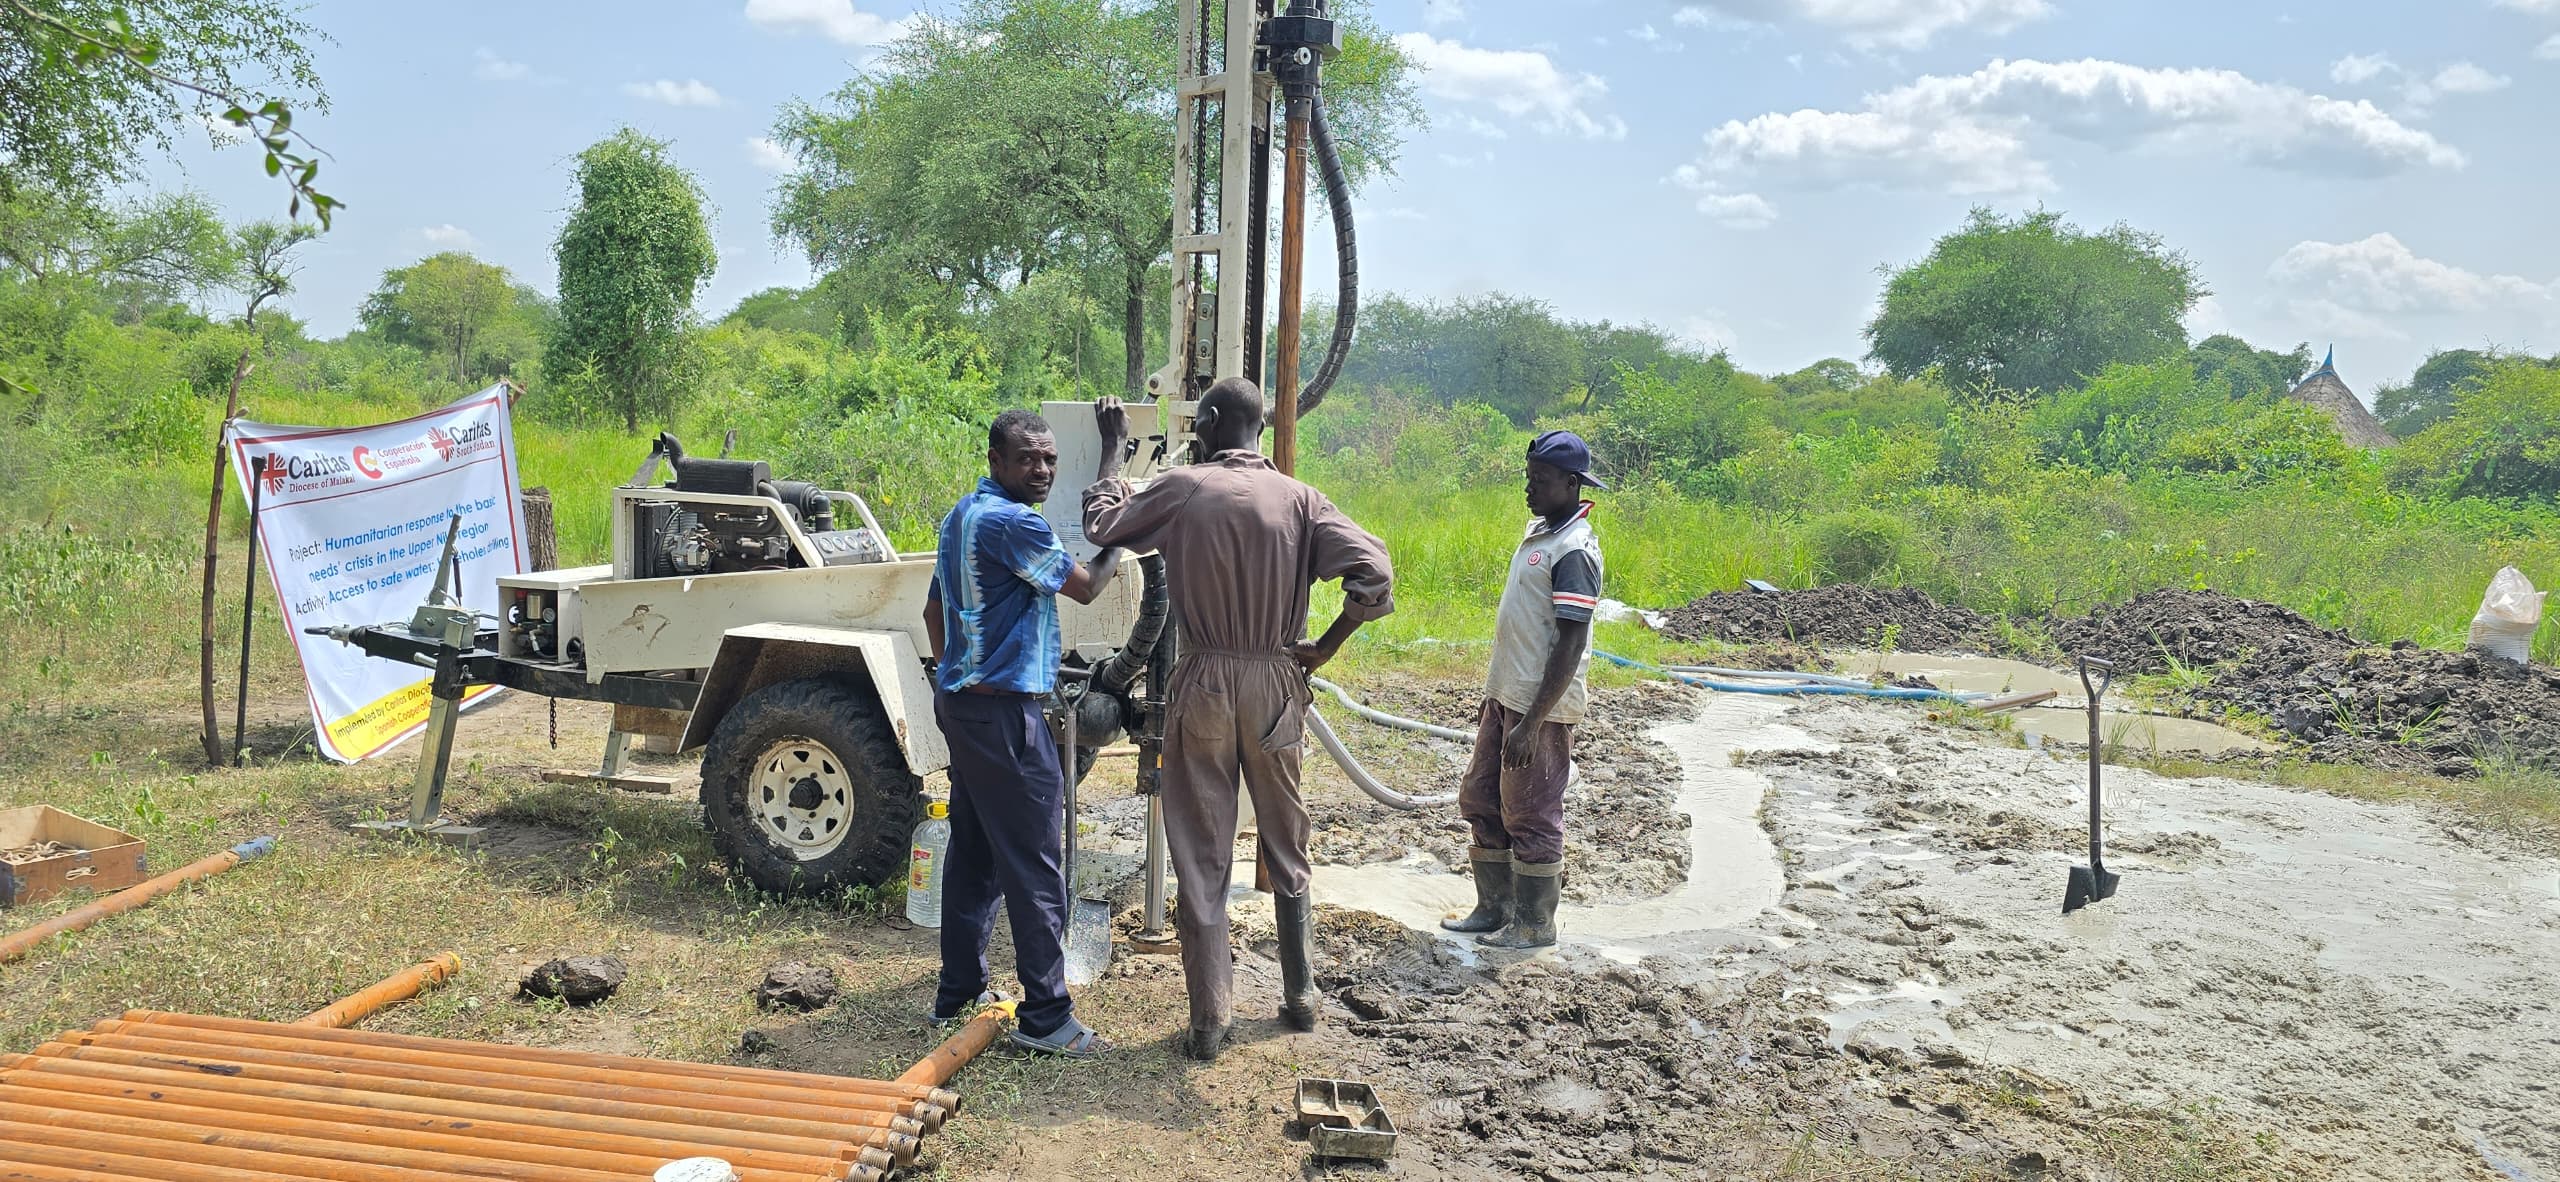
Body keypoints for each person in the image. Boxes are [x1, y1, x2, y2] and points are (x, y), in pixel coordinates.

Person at [1083, 378, 1395, 1061]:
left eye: (1199, 420)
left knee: (1201, 852)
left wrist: (1111, 452)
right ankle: (1301, 995)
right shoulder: (1302, 500)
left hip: (1206, 680)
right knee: (1286, 837)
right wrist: (1328, 644)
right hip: (1279, 679)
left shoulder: (1184, 486)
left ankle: (1209, 1021)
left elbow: (1102, 528)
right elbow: (1374, 572)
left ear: (1214, 421)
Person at [920, 407, 1126, 1058]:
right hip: (1004, 713)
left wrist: (955, 675)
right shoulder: (1015, 524)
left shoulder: (962, 516)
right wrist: (1125, 523)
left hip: (964, 704)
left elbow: (933, 610)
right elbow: (1089, 585)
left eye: (1049, 460)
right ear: (997, 463)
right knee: (1037, 859)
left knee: (976, 851)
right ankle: (1045, 1016)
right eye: (1027, 459)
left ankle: (959, 989)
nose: (1040, 470)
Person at [1440, 429, 1606, 950]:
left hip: (1541, 706)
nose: (1529, 488)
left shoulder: (1573, 549)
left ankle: (1535, 924)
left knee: (1530, 810)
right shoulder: (1542, 533)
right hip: (1507, 695)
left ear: (1572, 484)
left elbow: (1571, 640)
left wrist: (1533, 721)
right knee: (1481, 796)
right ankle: (1494, 908)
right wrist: (1499, 700)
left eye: (1541, 480)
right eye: (1528, 477)